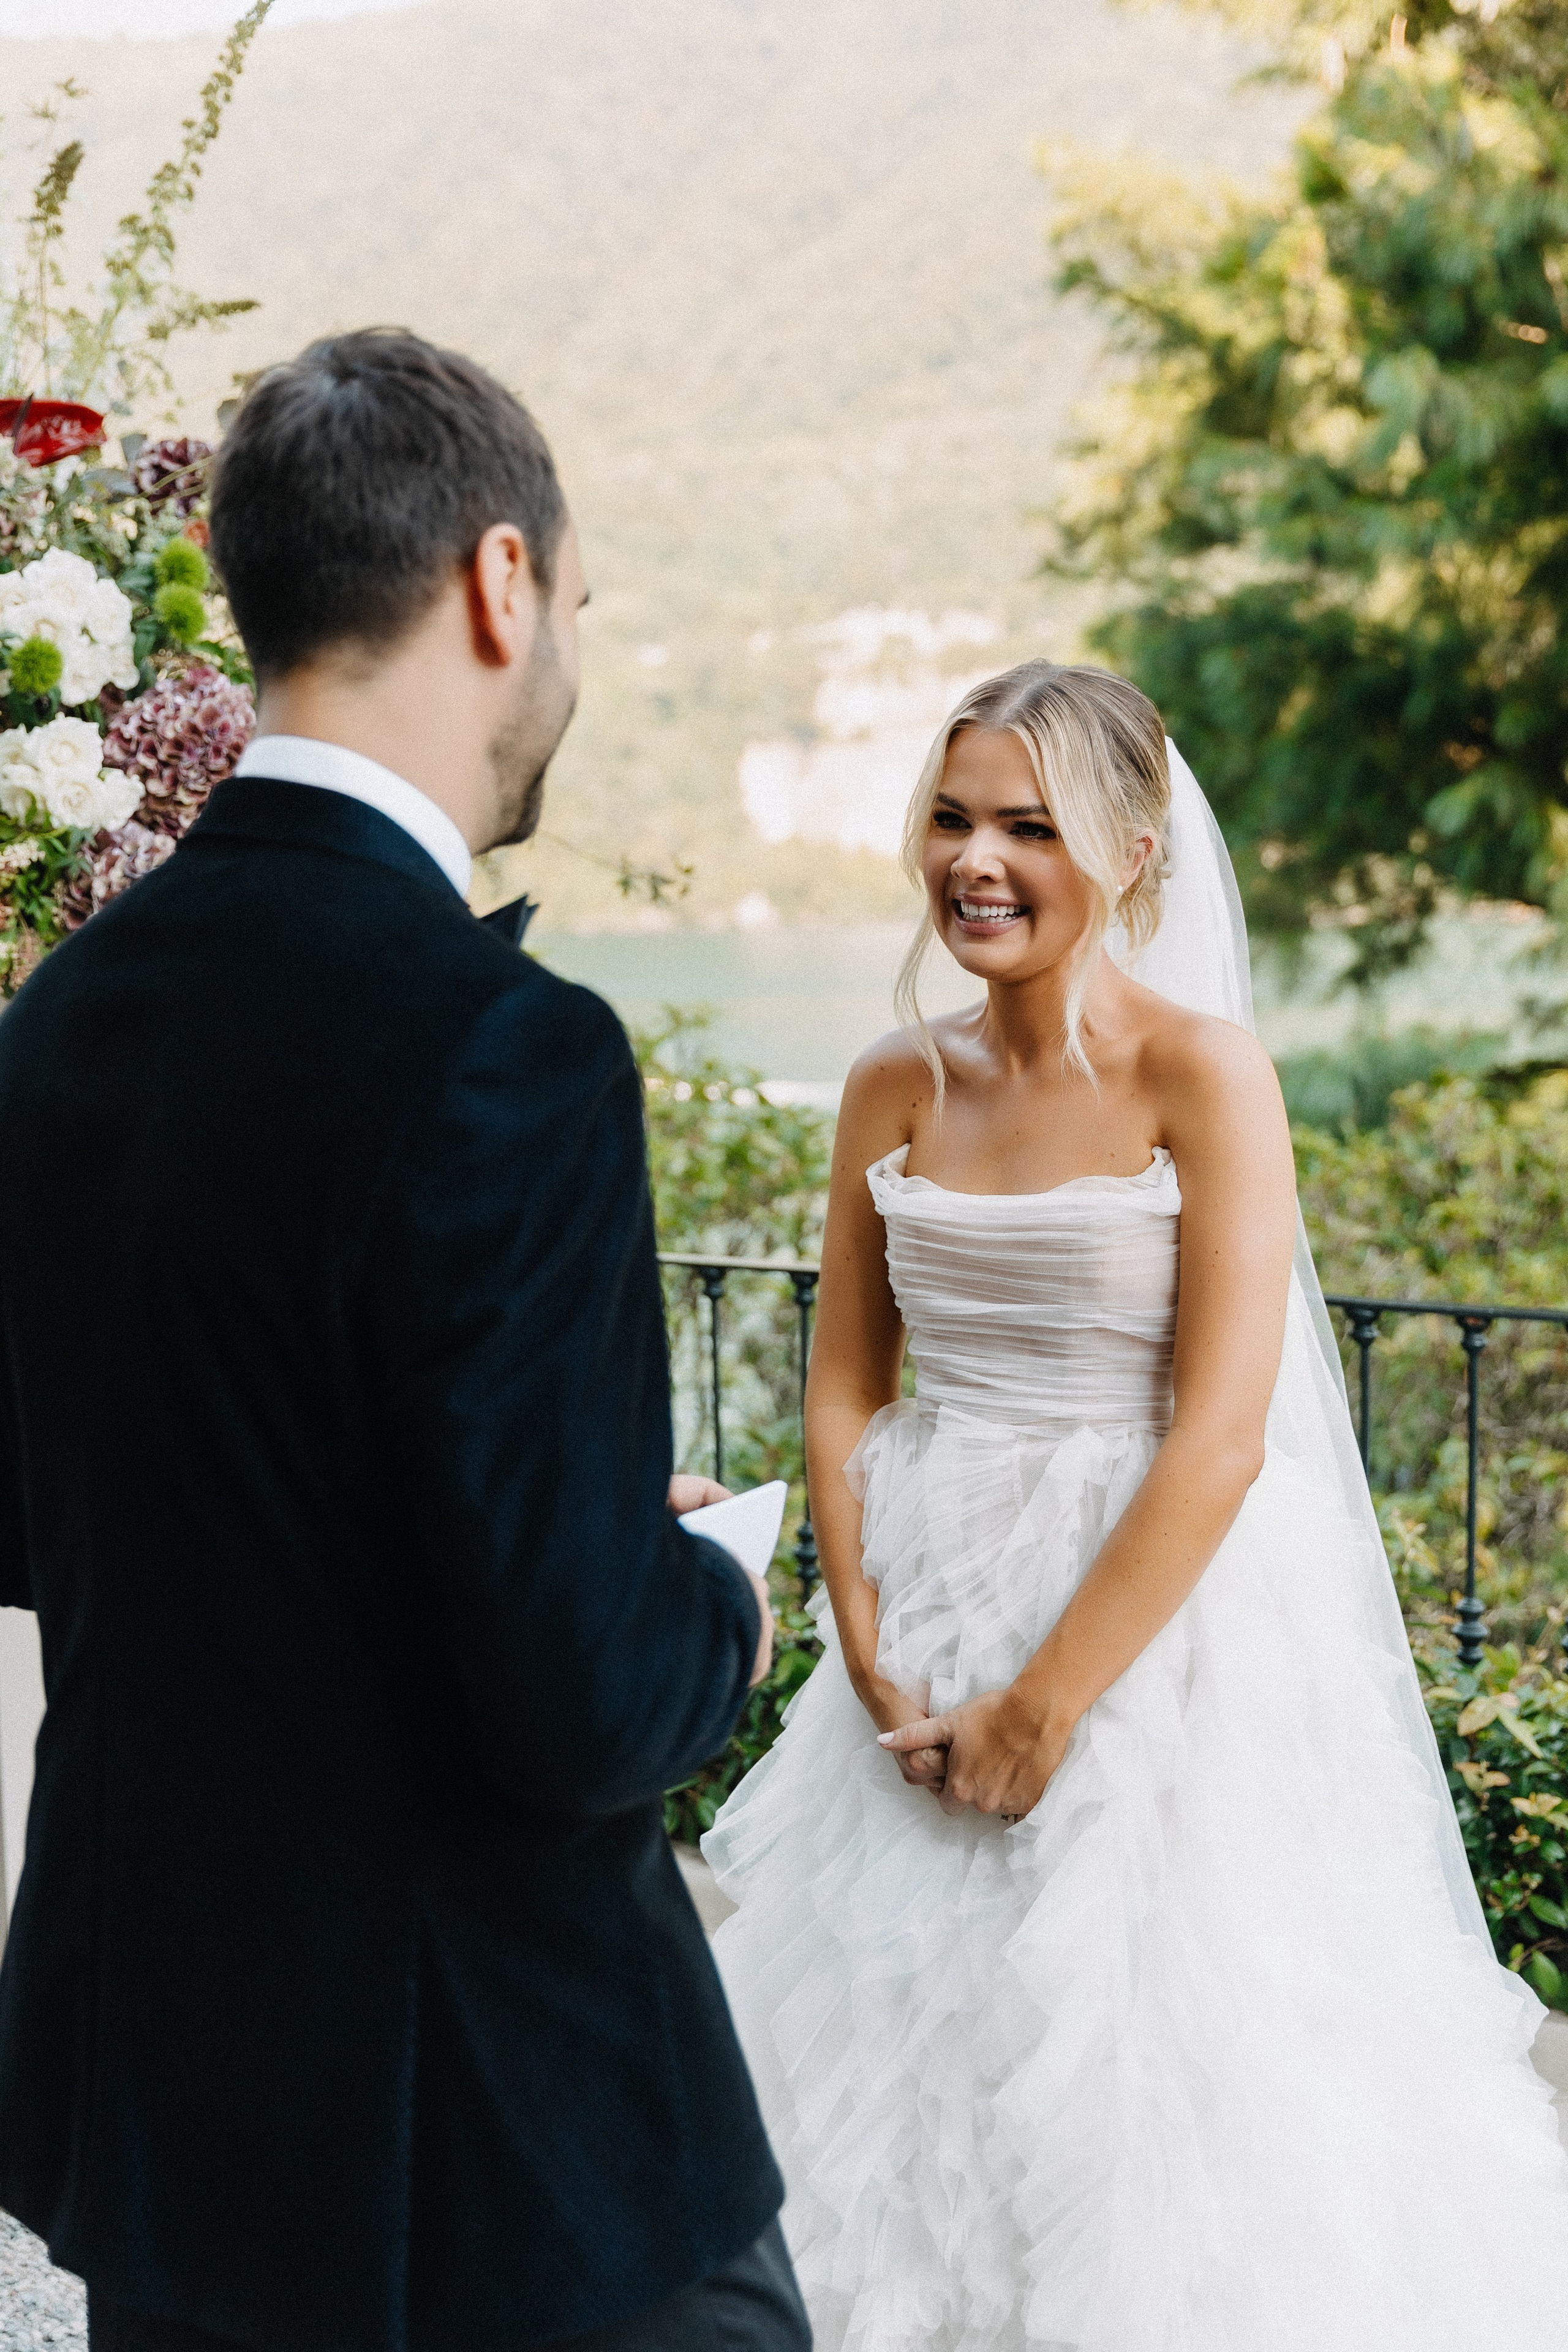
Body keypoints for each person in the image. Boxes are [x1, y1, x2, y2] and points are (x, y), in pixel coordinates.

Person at [0, 329, 810, 2352]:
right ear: (500, 581)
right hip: (492, 2145)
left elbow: (44, 1518)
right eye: (582, 606)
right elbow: (590, 1704)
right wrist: (704, 1589)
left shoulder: (59, 1024)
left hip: (169, 2118)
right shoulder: (504, 1050)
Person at [702, 659, 1568, 2351]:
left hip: (1162, 1637)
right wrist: (866, 1645)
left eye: (1031, 826)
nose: (978, 861)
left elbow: (1224, 1437)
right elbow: (846, 1381)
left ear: (1135, 852)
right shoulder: (893, 1082)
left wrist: (1044, 1708)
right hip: (926, 1616)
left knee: (1162, 2067)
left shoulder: (1205, 1075)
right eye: (954, 819)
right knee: (897, 2060)